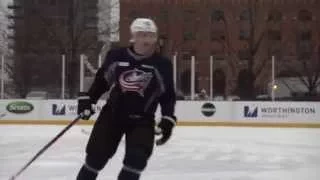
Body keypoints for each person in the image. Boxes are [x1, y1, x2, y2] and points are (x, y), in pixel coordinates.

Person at [76, 18, 177, 180]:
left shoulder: (162, 64)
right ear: (133, 37)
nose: (147, 40)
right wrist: (89, 99)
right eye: (142, 35)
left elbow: (167, 95)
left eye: (151, 36)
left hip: (142, 120)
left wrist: (167, 118)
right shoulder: (116, 56)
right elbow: (102, 82)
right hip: (113, 115)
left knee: (136, 161)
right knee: (95, 158)